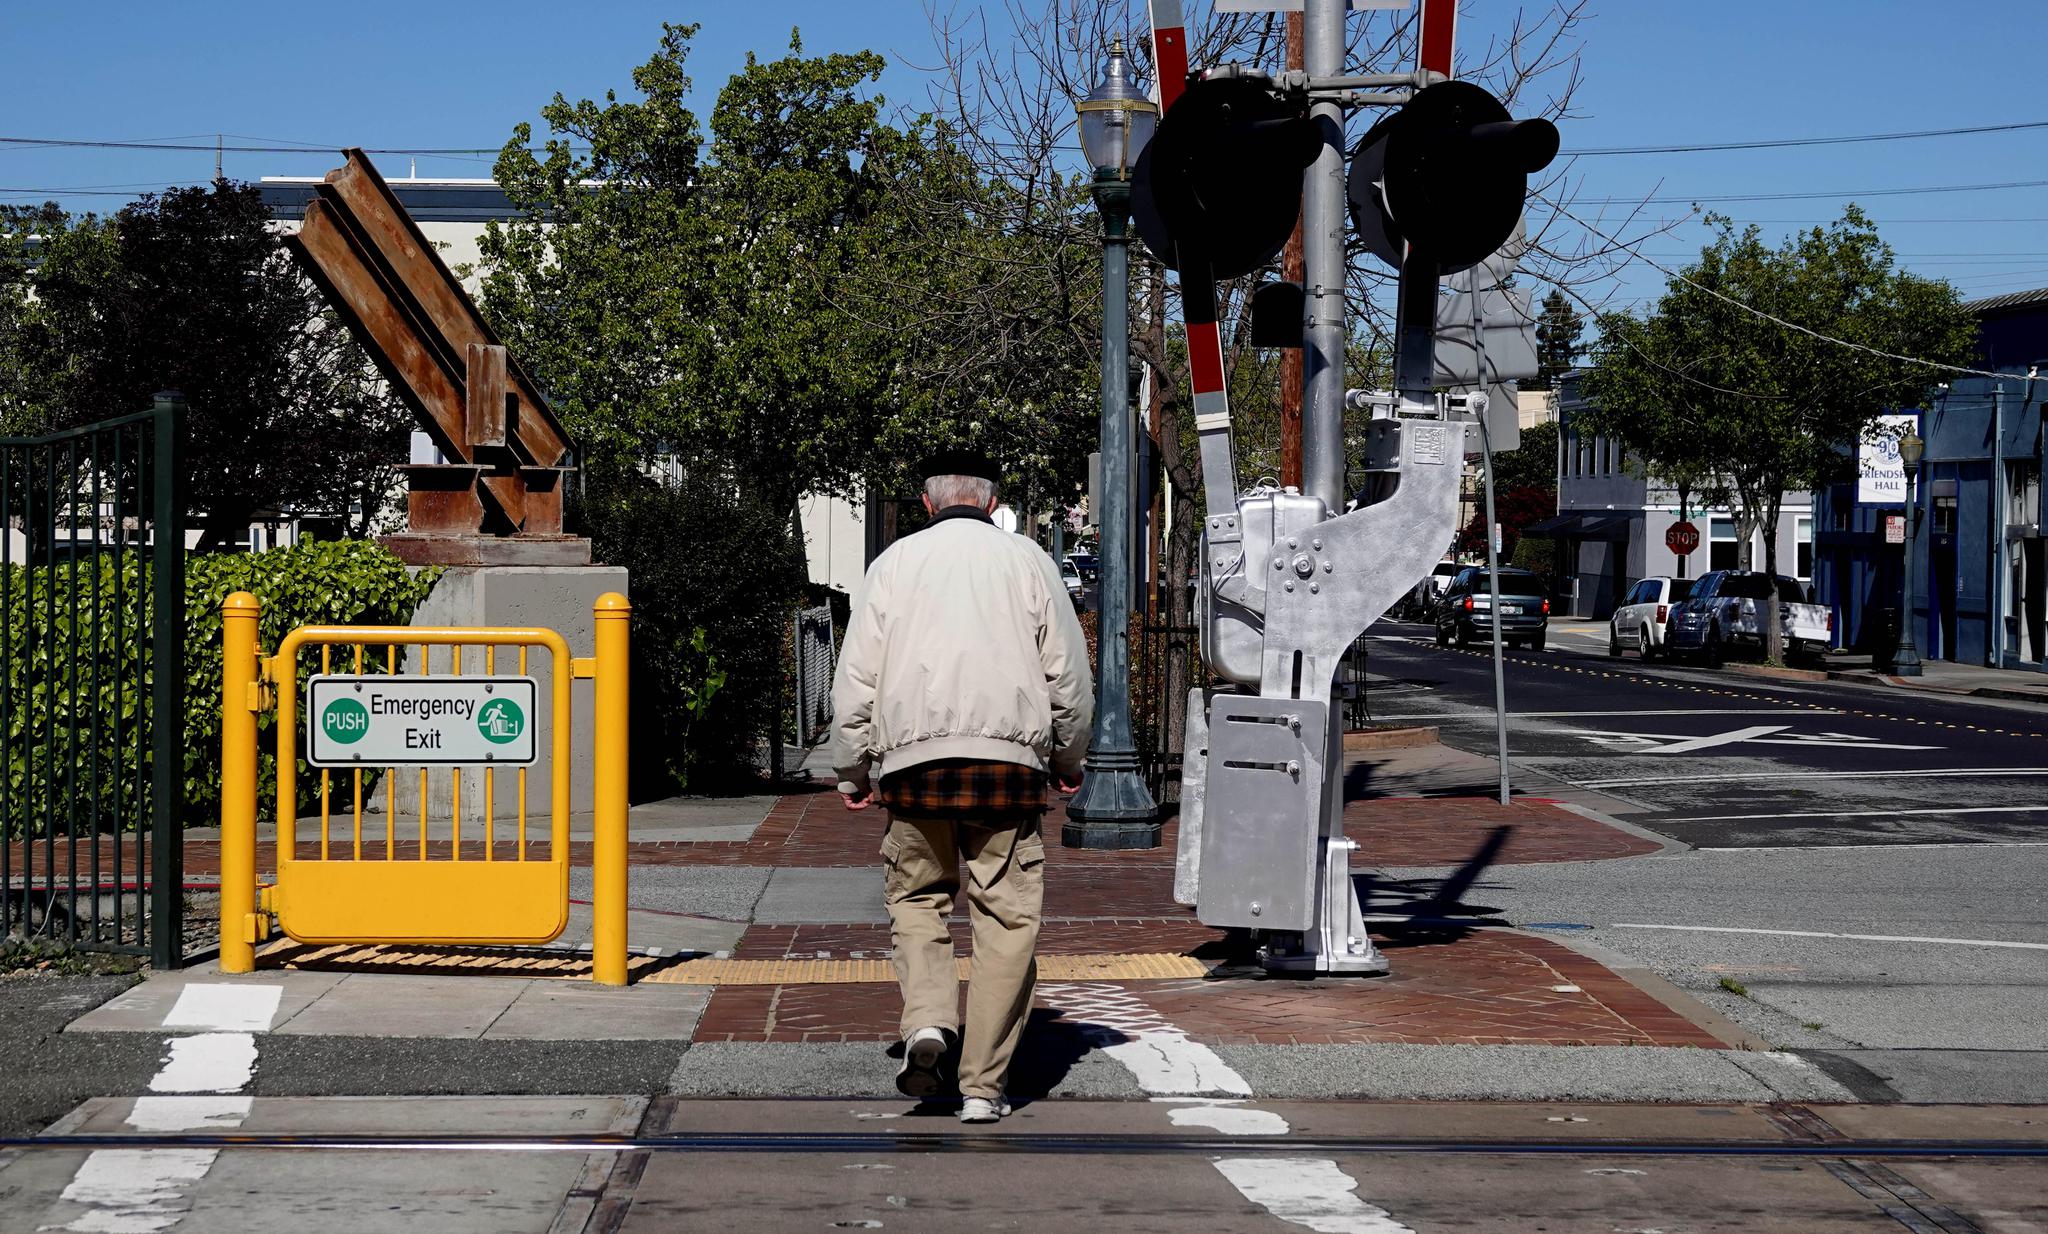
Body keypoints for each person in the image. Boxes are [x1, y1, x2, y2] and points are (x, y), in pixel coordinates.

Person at [832, 451, 1093, 1123]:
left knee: (917, 899)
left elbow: (857, 677)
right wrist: (1067, 757)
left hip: (913, 768)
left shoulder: (893, 565)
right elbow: (1066, 674)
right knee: (1006, 920)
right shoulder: (1029, 561)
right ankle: (982, 1087)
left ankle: (927, 1022)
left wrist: (853, 767)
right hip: (1009, 768)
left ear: (926, 504)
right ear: (991, 501)